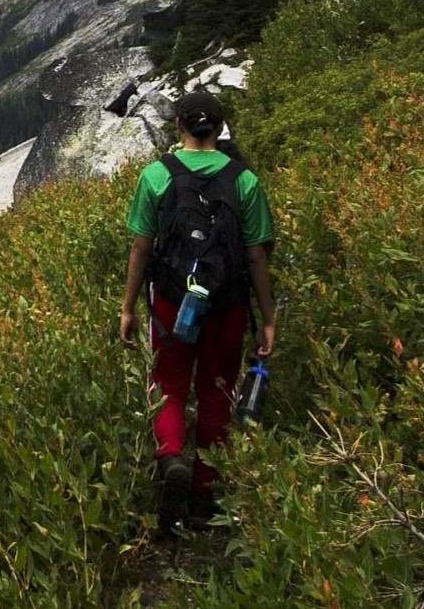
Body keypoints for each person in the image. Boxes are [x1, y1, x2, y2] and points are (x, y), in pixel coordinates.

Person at [117, 90, 276, 533]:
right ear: (220, 128)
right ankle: (205, 497)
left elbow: (140, 246)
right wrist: (267, 317)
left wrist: (128, 306)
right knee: (216, 391)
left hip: (171, 302)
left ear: (178, 127)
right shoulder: (244, 180)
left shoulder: (156, 176)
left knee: (167, 382)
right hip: (225, 305)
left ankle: (171, 457)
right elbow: (257, 255)